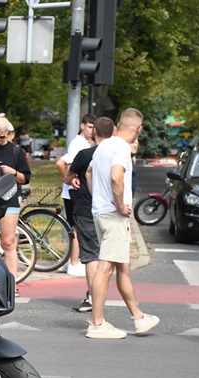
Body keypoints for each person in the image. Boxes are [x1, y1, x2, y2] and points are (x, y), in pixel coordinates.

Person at [86, 108, 159, 339]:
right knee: (105, 268)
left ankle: (138, 317)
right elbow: (116, 175)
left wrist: (98, 197)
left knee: (122, 267)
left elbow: (89, 172)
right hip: (113, 215)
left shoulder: (103, 146)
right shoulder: (121, 148)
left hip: (100, 212)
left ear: (118, 125)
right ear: (139, 130)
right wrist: (119, 204)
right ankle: (97, 324)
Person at [64, 117, 115, 313]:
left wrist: (73, 178)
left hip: (86, 209)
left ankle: (94, 298)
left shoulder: (85, 154)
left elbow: (67, 176)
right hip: (111, 209)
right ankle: (99, 295)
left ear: (94, 132)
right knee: (105, 255)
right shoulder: (116, 154)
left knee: (91, 256)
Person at [0, 116, 31, 281]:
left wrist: (13, 172)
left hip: (10, 199)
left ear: (8, 133)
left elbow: (25, 178)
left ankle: (12, 283)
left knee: (8, 242)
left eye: (2, 136)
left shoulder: (16, 151)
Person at [57, 113, 96, 277]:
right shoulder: (78, 143)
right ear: (82, 125)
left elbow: (60, 162)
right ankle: (74, 263)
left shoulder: (83, 143)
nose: (92, 130)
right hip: (74, 192)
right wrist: (70, 180)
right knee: (77, 228)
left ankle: (70, 262)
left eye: (94, 127)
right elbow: (66, 164)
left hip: (72, 190)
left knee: (75, 227)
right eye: (89, 126)